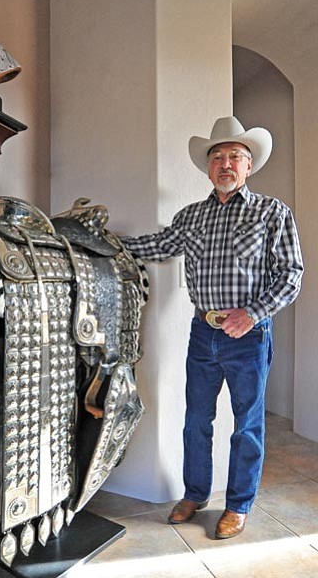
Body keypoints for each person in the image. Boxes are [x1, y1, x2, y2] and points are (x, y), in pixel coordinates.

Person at [121, 116, 303, 539]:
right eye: (217, 157)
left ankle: (238, 505)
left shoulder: (272, 212)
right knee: (196, 420)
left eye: (235, 157)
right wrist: (106, 242)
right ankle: (196, 493)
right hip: (202, 333)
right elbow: (158, 245)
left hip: (249, 336)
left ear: (249, 165)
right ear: (208, 168)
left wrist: (253, 312)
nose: (226, 164)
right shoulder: (192, 216)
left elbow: (292, 274)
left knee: (247, 425)